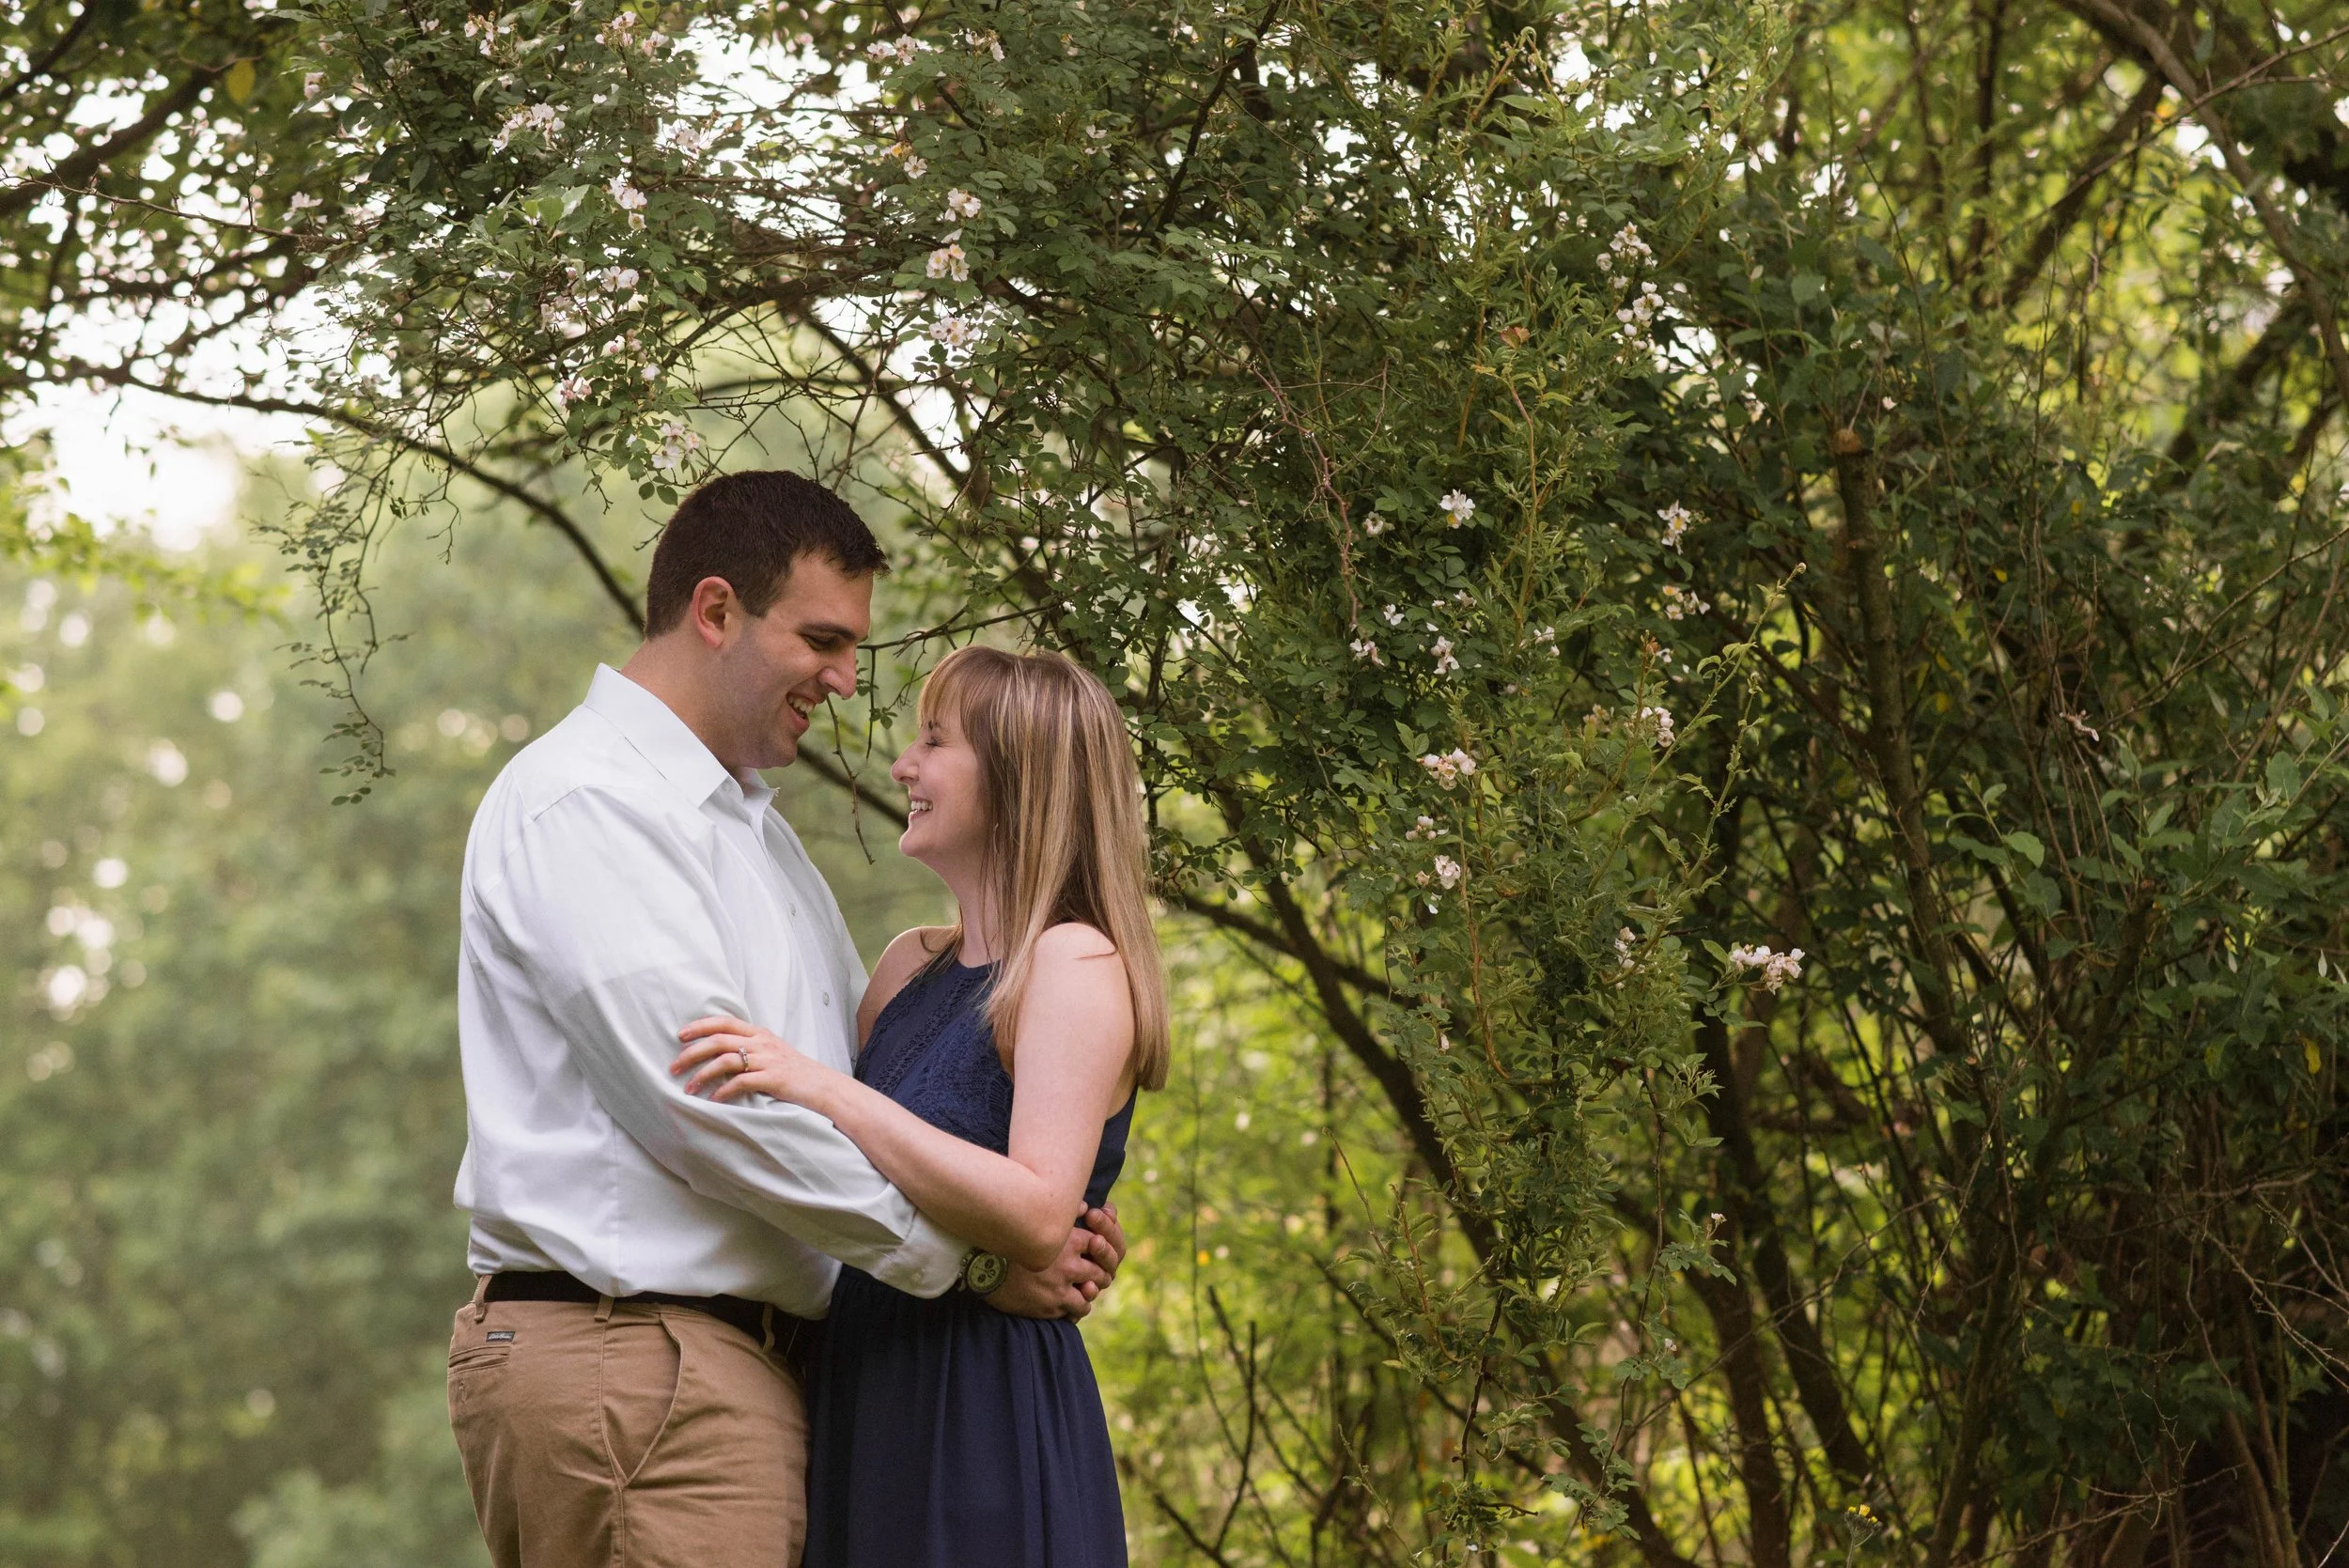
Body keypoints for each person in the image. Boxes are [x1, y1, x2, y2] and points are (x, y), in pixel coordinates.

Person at [444, 471, 1125, 1568]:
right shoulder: (592, 803)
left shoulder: (750, 835)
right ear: (716, 611)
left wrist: (1026, 1205)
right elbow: (711, 1110)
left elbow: (865, 1097)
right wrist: (975, 1262)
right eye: (821, 639)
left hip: (768, 1376)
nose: (846, 683)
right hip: (640, 1366)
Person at [670, 643, 1167, 1568]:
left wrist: (822, 1086)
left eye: (934, 742)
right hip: (862, 1380)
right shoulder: (908, 964)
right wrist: (977, 1266)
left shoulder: (1074, 962)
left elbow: (1034, 1207)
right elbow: (838, 1185)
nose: (903, 765)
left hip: (979, 1403)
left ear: (1019, 778)